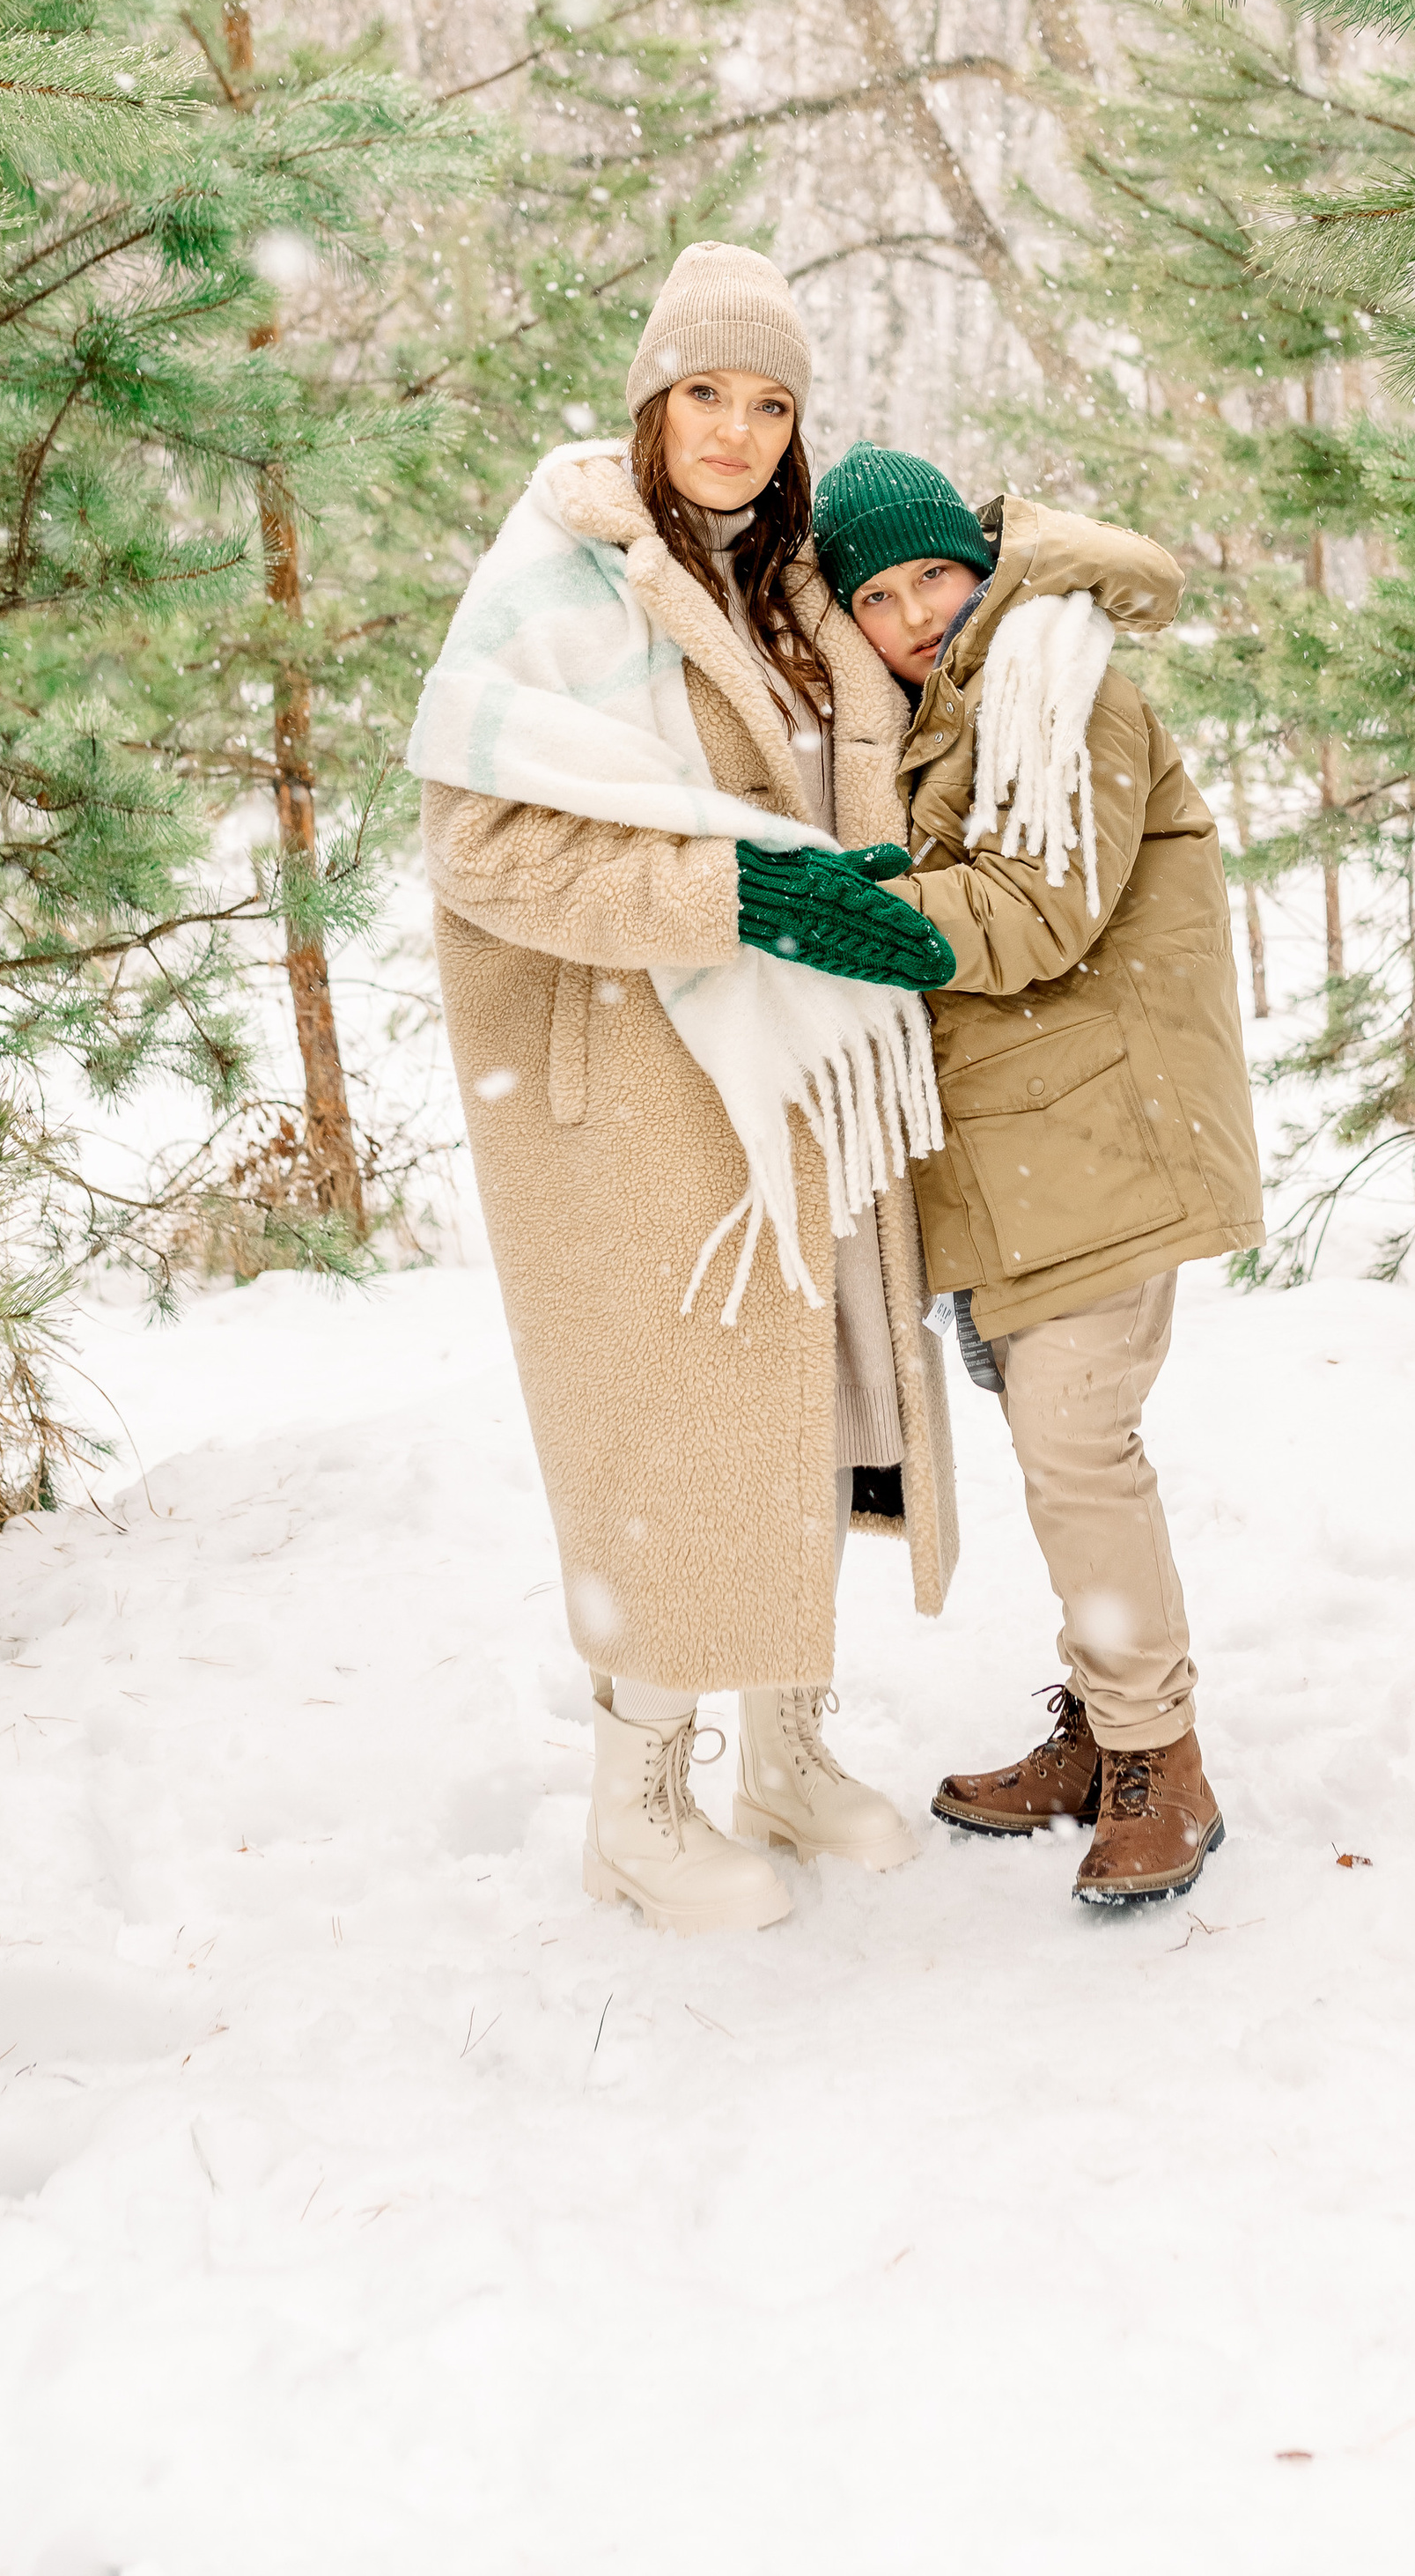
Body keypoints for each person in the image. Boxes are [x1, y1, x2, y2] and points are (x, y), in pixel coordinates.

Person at [407, 248, 959, 1938]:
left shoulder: (795, 591)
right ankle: (634, 1810)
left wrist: (849, 886)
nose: (734, 428)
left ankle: (784, 1755)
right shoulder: (562, 572)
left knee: (816, 1407)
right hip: (633, 1082)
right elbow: (484, 847)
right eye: (706, 393)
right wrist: (733, 899)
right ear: (654, 396)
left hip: (801, 1066)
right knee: (666, 1441)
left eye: (770, 400)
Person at [810, 442, 1263, 1908]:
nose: (911, 614)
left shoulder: (1059, 681)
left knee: (1080, 1452)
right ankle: (1102, 1727)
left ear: (982, 563)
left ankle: (1161, 1764)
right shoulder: (963, 705)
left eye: (932, 575)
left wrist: (843, 910)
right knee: (1060, 1459)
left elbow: (1034, 910)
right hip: (1030, 1158)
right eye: (874, 598)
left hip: (1104, 1146)